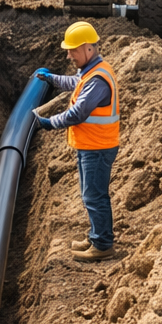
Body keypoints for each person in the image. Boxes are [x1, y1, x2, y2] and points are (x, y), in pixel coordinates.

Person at [33, 21, 119, 261]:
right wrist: (52, 79)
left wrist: (49, 123)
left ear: (88, 49)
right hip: (90, 145)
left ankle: (102, 245)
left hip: (98, 147)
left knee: (94, 196)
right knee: (89, 194)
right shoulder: (91, 72)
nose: (69, 55)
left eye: (73, 50)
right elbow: (75, 83)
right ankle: (96, 237)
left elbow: (77, 114)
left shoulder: (98, 80)